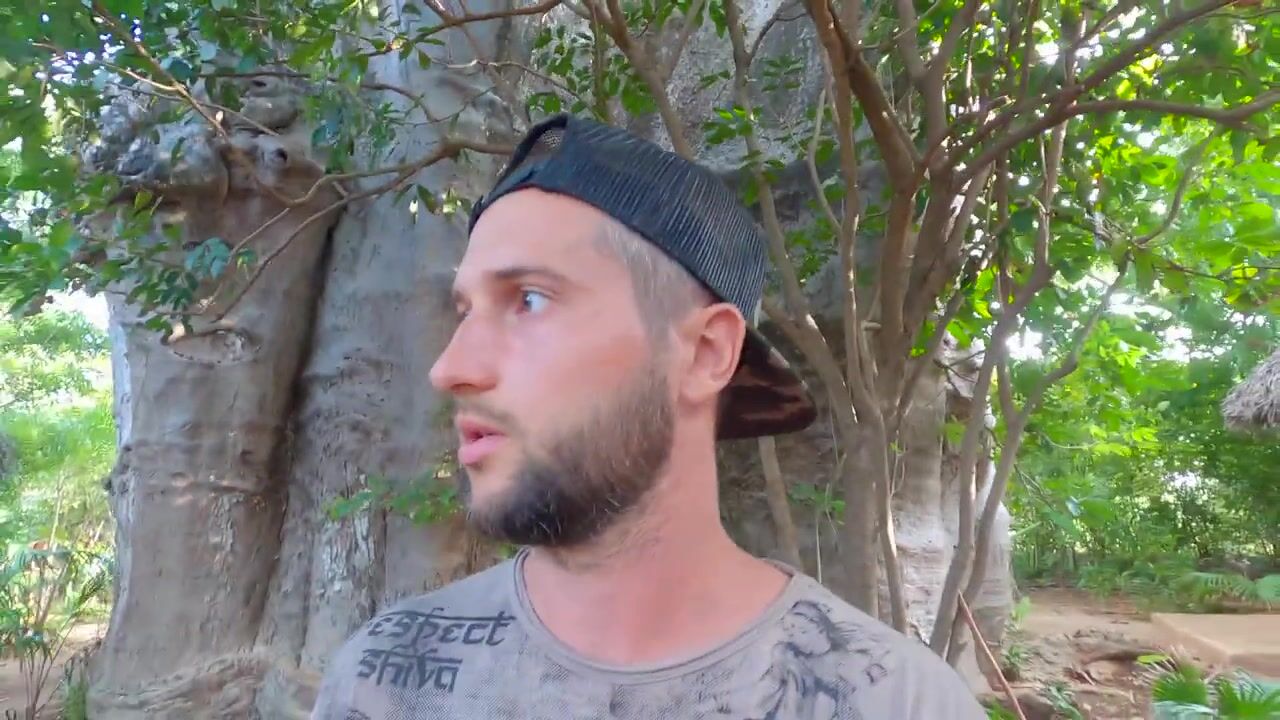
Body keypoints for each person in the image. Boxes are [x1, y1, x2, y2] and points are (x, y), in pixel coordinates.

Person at [310, 113, 987, 719]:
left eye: (530, 300)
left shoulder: (898, 702)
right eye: (465, 311)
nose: (450, 367)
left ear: (704, 353)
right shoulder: (384, 681)